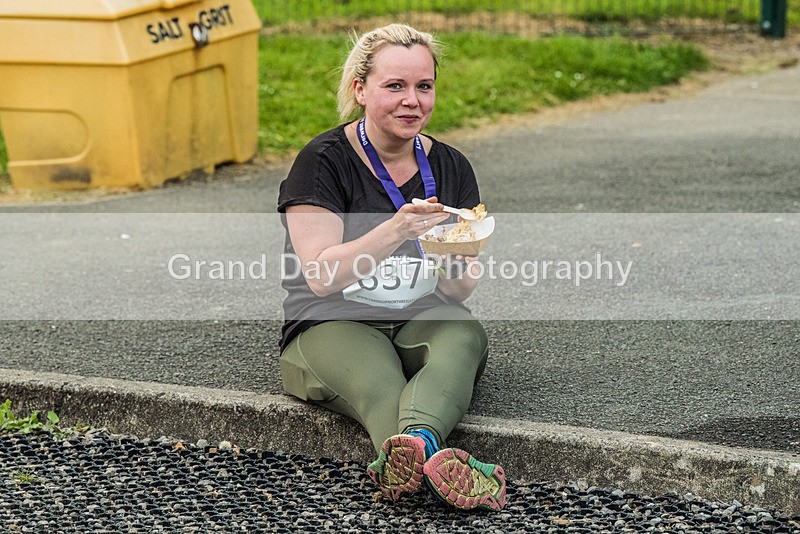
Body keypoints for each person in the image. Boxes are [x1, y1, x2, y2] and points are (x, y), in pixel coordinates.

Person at [276, 23, 507, 512]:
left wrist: (460, 256)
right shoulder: (322, 161)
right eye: (395, 86)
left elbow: (458, 292)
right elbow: (320, 276)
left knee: (463, 337)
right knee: (382, 383)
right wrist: (396, 230)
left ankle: (416, 449)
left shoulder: (452, 166)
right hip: (331, 320)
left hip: (417, 313)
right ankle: (436, 461)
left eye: (424, 86)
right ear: (360, 90)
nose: (412, 101)